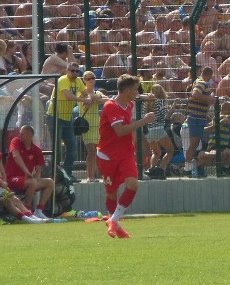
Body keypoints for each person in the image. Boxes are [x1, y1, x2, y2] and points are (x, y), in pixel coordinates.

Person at [97, 74, 155, 239]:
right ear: (128, 90)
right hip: (107, 156)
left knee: (133, 184)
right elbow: (120, 131)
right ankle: (118, 226)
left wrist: (145, 96)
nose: (138, 92)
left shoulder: (129, 103)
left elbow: (137, 98)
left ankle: (113, 220)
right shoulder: (111, 106)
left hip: (126, 154)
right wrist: (144, 121)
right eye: (136, 89)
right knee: (111, 194)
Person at [0, 131, 47, 223]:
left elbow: (3, 172)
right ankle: (27, 219)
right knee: (9, 199)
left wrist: (4, 184)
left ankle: (32, 217)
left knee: (16, 200)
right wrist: (2, 183)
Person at [46, 62, 90, 180]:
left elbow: (86, 93)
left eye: (77, 71)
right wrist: (84, 100)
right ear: (67, 70)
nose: (75, 73)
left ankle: (67, 174)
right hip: (55, 116)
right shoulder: (62, 80)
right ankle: (55, 174)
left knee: (72, 148)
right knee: (57, 149)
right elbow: (68, 96)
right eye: (72, 70)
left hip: (67, 117)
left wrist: (88, 99)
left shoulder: (78, 81)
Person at [5, 124, 55, 215]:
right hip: (12, 178)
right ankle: (27, 211)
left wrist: (35, 182)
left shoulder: (37, 150)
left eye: (22, 134)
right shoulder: (15, 141)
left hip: (27, 181)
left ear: (29, 136)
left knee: (50, 182)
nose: (19, 135)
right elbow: (16, 156)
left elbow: (38, 171)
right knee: (32, 182)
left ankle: (39, 210)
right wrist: (26, 171)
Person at [80, 70, 111, 182]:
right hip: (86, 125)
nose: (91, 80)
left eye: (93, 78)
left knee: (100, 151)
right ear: (84, 80)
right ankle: (90, 176)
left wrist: (96, 98)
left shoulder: (97, 92)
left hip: (96, 124)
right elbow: (86, 102)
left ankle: (100, 174)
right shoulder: (82, 92)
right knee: (91, 151)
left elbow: (108, 100)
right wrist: (95, 98)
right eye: (88, 78)